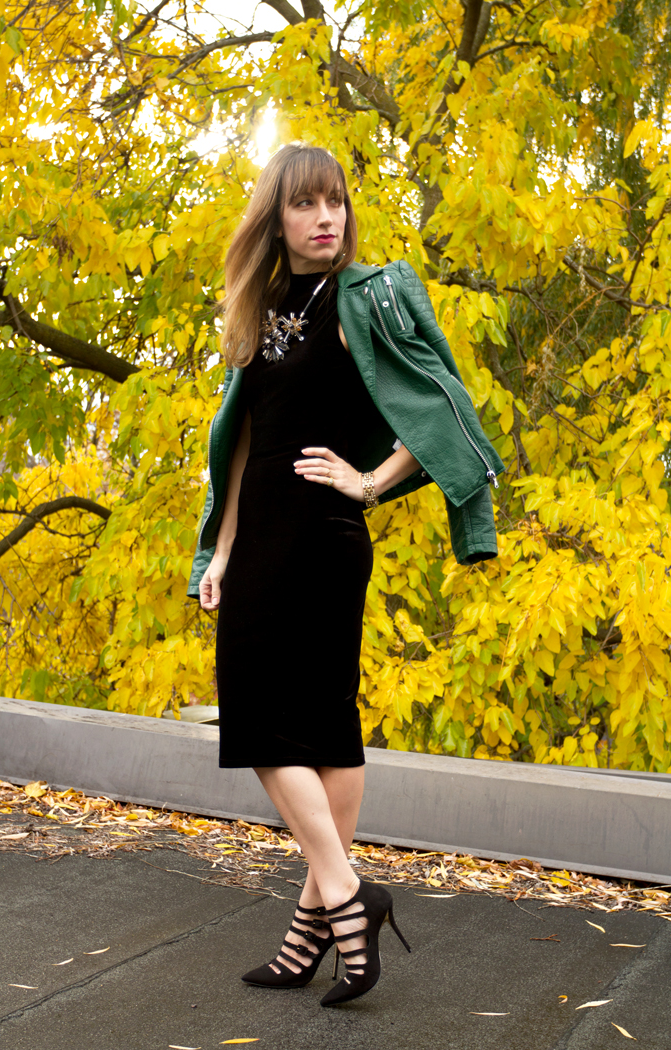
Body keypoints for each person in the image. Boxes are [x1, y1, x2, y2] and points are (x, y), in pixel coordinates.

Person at [187, 143, 504, 1006]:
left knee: (315, 720)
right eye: (307, 204)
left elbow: (445, 404)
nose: (327, 217)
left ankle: (338, 903)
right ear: (276, 218)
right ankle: (327, 913)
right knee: (259, 715)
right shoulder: (259, 308)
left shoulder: (374, 295)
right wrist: (217, 551)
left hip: (328, 535)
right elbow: (241, 442)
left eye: (336, 202)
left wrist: (369, 481)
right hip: (259, 542)